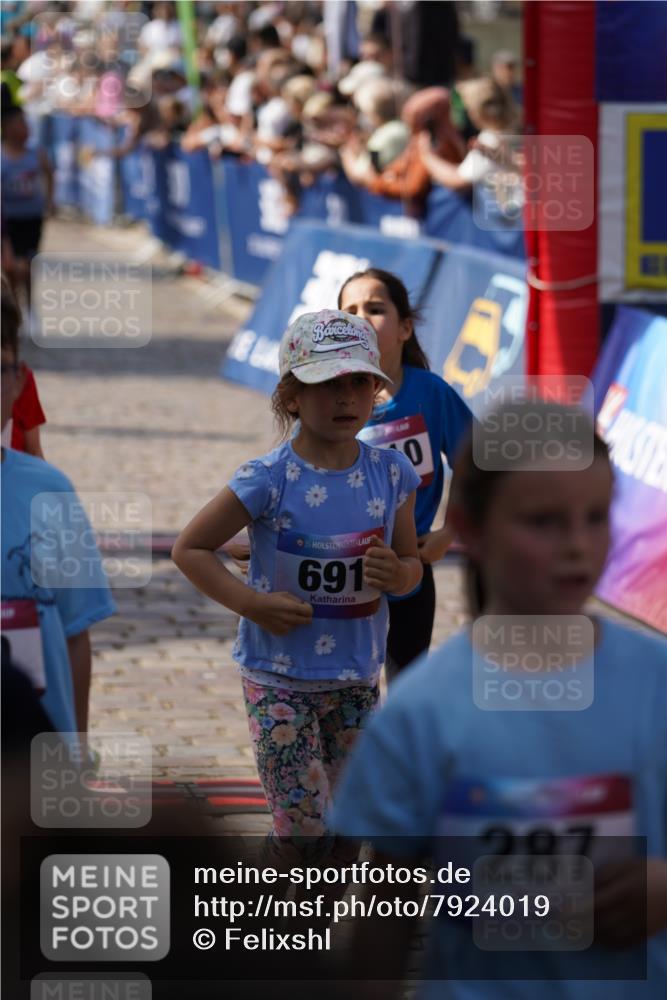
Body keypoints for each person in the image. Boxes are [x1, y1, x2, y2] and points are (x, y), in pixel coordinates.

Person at [331, 402, 667, 998]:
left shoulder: (656, 681)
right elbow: (384, 921)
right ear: (471, 528)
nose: (577, 545)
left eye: (596, 517)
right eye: (543, 521)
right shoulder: (420, 713)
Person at [172, 309, 422, 855]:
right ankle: (276, 906)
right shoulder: (266, 479)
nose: (346, 397)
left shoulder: (392, 474)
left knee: (352, 829)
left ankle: (320, 906)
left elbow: (411, 565)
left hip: (357, 679)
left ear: (376, 391)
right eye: (328, 383)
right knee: (303, 831)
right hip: (278, 680)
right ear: (291, 396)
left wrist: (399, 573)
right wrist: (252, 604)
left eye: (360, 382)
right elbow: (189, 548)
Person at [338, 268, 472, 677]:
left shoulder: (432, 392)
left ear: (405, 328)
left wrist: (449, 533)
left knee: (406, 684)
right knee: (341, 687)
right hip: (337, 570)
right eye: (350, 312)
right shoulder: (327, 397)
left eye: (376, 309)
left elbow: (480, 460)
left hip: (410, 567)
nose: (362, 318)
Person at [1, 275, 115, 736]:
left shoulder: (50, 491)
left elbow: (74, 633)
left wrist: (76, 753)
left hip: (34, 755)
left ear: (19, 382)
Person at [0, 104, 53, 310]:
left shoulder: (36, 153)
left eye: (26, 122)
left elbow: (49, 172)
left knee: (28, 266)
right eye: (20, 122)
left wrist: (49, 200)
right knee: (11, 268)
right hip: (7, 221)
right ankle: (14, 308)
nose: (26, 127)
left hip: (31, 218)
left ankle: (29, 308)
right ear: (7, 127)